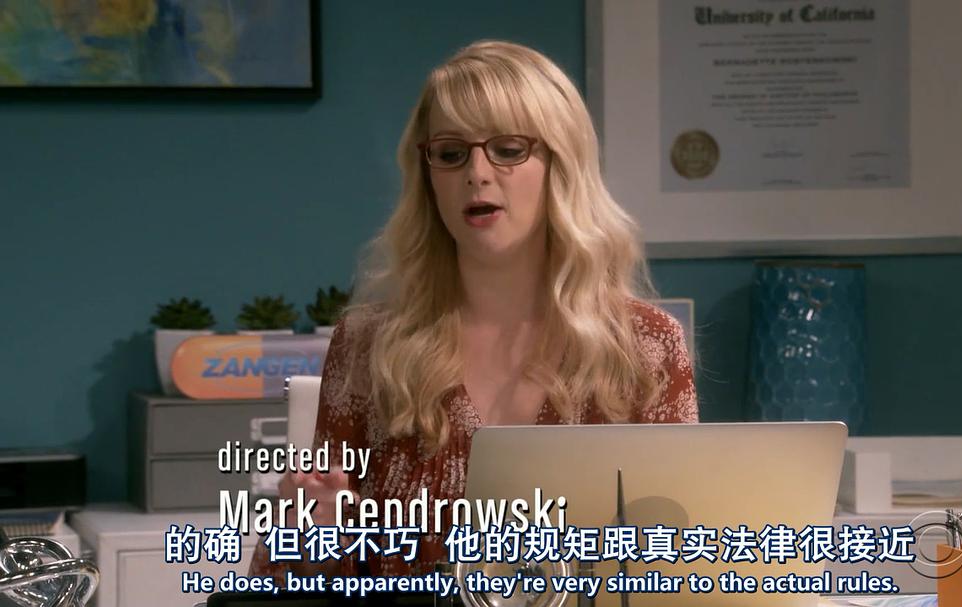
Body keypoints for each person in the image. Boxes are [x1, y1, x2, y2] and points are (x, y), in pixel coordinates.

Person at [250, 39, 698, 583]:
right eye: (450, 153)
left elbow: (682, 567)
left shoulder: (645, 346)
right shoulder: (369, 345)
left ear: (561, 164)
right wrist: (308, 530)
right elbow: (291, 581)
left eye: (508, 149)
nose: (477, 173)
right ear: (428, 175)